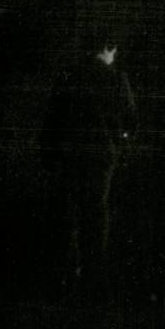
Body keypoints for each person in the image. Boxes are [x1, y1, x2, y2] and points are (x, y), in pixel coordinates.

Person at [41, 32, 137, 295]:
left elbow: (52, 120)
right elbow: (130, 122)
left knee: (66, 215)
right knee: (96, 216)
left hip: (67, 156)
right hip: (102, 158)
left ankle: (65, 277)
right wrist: (119, 147)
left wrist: (49, 156)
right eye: (114, 51)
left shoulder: (68, 75)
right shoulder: (117, 79)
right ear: (109, 47)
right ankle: (93, 279)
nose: (114, 56)